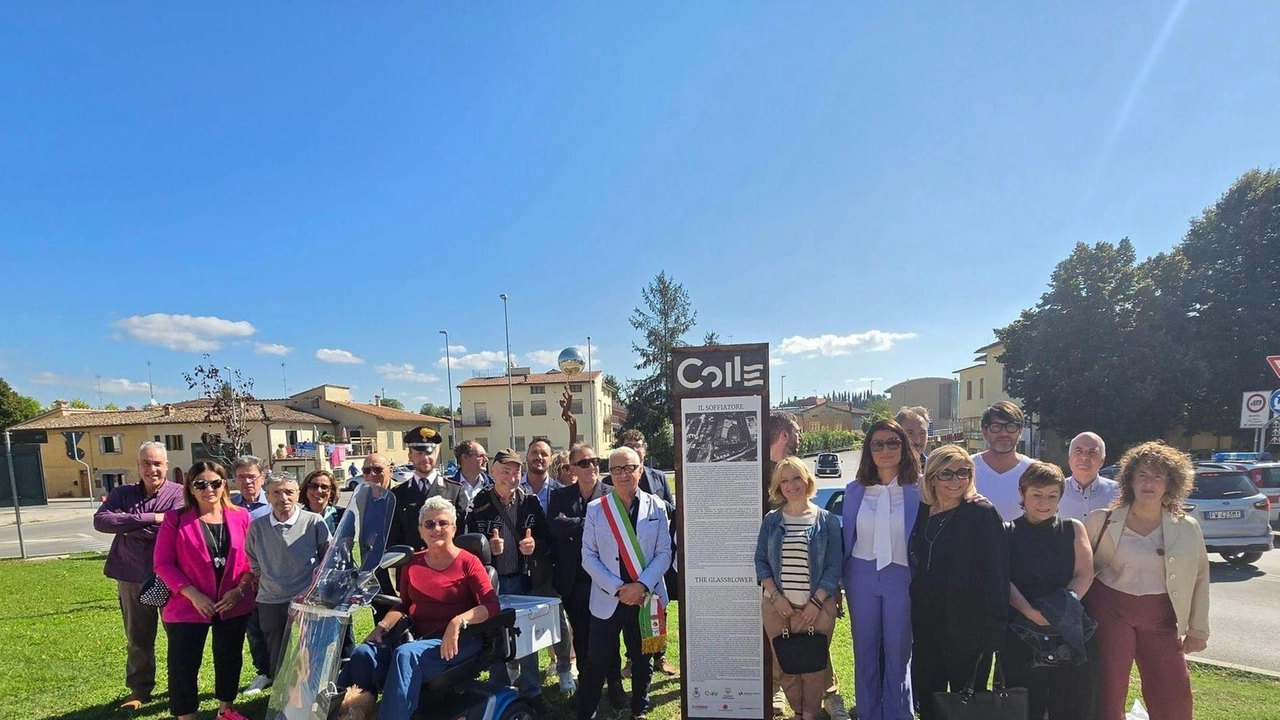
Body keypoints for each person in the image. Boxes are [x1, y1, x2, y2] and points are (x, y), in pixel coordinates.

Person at [338, 496, 501, 719]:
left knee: (406, 655)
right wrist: (382, 627)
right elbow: (404, 605)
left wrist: (457, 622)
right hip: (420, 637)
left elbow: (491, 606)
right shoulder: (413, 562)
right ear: (421, 530)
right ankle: (347, 713)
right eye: (429, 524)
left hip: (462, 639)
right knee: (363, 654)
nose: (436, 528)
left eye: (443, 523)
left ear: (454, 528)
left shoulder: (468, 562)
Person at [1084, 441, 1208, 720]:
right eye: (1142, 475)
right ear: (1130, 480)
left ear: (1170, 483)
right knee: (1107, 687)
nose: (1148, 483)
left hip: (1162, 617)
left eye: (1157, 476)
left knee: (1173, 690)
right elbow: (1081, 569)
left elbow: (1200, 577)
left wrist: (1199, 628)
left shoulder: (1186, 528)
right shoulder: (1101, 520)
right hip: (1109, 612)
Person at [908, 444, 1009, 720]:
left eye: (963, 472)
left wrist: (994, 629)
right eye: (946, 474)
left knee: (968, 703)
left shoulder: (982, 513)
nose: (956, 480)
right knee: (929, 697)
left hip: (969, 627)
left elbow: (998, 575)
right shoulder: (921, 513)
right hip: (927, 624)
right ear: (931, 478)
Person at [153, 461, 256, 720]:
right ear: (190, 487)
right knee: (183, 664)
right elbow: (162, 563)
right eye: (200, 483)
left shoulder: (241, 516)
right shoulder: (175, 518)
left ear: (224, 485)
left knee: (229, 657)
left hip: (232, 602)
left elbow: (252, 561)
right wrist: (191, 594)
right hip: (187, 605)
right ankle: (187, 715)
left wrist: (240, 591)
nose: (208, 488)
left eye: (215, 482)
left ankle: (226, 710)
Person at [577, 447, 673, 720]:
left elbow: (664, 552)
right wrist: (619, 588)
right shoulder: (597, 509)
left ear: (641, 470)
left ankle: (639, 710)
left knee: (643, 659)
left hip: (646, 597)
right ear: (610, 475)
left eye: (629, 468)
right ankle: (588, 711)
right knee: (597, 660)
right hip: (610, 598)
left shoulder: (657, 506)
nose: (623, 474)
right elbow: (588, 556)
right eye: (616, 469)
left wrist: (640, 586)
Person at [93, 441, 186, 711]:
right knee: (138, 636)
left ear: (166, 465)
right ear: (138, 466)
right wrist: (154, 519)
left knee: (178, 635)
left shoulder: (179, 494)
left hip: (170, 575)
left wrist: (128, 523)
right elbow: (102, 521)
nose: (152, 468)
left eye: (157, 463)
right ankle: (140, 689)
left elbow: (176, 524)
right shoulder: (123, 492)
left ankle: (179, 685)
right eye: (146, 463)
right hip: (131, 575)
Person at [1005, 462, 1097, 720]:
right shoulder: (1005, 532)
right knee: (1024, 706)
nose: (1044, 502)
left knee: (1070, 704)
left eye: (1052, 496)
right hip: (1021, 629)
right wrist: (1031, 612)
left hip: (1068, 627)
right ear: (1023, 493)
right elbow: (1003, 580)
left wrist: (1059, 611)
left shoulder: (1073, 528)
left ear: (1060, 497)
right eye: (1037, 494)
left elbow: (1084, 573)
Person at [842, 420, 920, 720]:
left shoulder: (921, 489)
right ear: (868, 451)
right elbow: (846, 537)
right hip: (861, 576)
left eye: (893, 442)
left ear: (904, 446)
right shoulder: (855, 491)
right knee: (865, 653)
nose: (885, 450)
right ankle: (869, 714)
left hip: (901, 577)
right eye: (878, 444)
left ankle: (899, 713)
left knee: (899, 653)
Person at [466, 449, 552, 714]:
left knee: (527, 639)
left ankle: (532, 691)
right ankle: (499, 689)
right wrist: (487, 548)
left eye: (516, 471)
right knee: (494, 639)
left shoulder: (531, 502)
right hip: (490, 583)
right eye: (505, 471)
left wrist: (533, 545)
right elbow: (466, 545)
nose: (511, 477)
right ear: (492, 471)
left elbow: (547, 540)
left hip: (522, 580)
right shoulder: (478, 503)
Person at [756, 456, 842, 720]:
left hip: (816, 608)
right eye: (784, 481)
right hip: (778, 609)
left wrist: (816, 602)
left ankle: (810, 714)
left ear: (807, 480)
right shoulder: (772, 520)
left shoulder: (826, 521)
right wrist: (776, 596)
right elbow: (760, 560)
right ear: (778, 487)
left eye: (796, 478)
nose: (791, 485)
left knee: (814, 666)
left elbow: (834, 564)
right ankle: (798, 711)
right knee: (786, 665)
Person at [548, 444, 626, 708]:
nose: (591, 466)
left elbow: (616, 530)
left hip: (604, 580)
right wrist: (590, 523)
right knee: (581, 637)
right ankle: (587, 687)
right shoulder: (560, 496)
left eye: (595, 461)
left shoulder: (611, 494)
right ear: (571, 468)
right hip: (575, 581)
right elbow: (556, 526)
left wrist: (576, 524)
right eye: (584, 463)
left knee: (608, 635)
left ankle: (615, 684)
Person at [246, 473, 332, 678]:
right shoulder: (257, 527)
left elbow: (327, 557)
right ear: (267, 496)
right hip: (271, 600)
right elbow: (253, 559)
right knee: (278, 654)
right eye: (276, 492)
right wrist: (270, 577)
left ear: (297, 495)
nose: (282, 497)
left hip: (307, 600)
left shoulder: (314, 522)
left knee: (311, 653)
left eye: (288, 492)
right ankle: (281, 702)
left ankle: (310, 699)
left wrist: (311, 590)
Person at [613, 429, 679, 677]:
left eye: (638, 445)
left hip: (656, 558)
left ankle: (659, 655)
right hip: (627, 561)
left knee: (659, 608)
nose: (635, 447)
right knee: (630, 615)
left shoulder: (659, 477)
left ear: (645, 449)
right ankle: (631, 660)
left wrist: (654, 503)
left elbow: (673, 508)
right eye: (629, 444)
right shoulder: (615, 479)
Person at [520, 439, 577, 693]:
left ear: (551, 458)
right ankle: (516, 668)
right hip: (519, 563)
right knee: (518, 619)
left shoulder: (560, 491)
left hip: (552, 562)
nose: (539, 457)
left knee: (558, 618)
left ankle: (564, 668)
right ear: (527, 456)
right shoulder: (514, 487)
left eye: (544, 454)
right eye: (534, 452)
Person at [230, 455, 274, 694]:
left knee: (279, 629)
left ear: (262, 478)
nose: (247, 481)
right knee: (254, 629)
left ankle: (284, 670)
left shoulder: (275, 503)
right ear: (235, 480)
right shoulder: (229, 507)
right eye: (241, 477)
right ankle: (264, 672)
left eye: (252, 476)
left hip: (272, 579)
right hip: (244, 581)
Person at [390, 426, 469, 554]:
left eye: (428, 452)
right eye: (419, 453)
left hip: (445, 565)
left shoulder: (455, 491)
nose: (425, 458)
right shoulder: (398, 494)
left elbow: (462, 533)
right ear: (410, 456)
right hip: (411, 567)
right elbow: (393, 538)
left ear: (436, 454)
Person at [970, 401, 1034, 520]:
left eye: (1010, 427)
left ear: (1020, 431)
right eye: (996, 427)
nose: (1004, 433)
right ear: (985, 431)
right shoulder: (966, 468)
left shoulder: (1034, 471)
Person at [361, 454, 399, 623]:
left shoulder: (402, 495)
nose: (372, 474)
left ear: (390, 471)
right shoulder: (360, 499)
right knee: (380, 625)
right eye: (367, 470)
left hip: (399, 572)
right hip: (372, 574)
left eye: (377, 469)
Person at [1058, 432, 1118, 522]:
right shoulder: (1055, 492)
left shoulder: (1118, 493)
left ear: (1102, 460)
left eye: (1092, 452)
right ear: (1069, 458)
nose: (1084, 457)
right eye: (1078, 451)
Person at [454, 440, 493, 513]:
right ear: (465, 457)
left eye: (486, 456)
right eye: (481, 456)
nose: (486, 459)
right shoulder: (448, 489)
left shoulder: (493, 487)